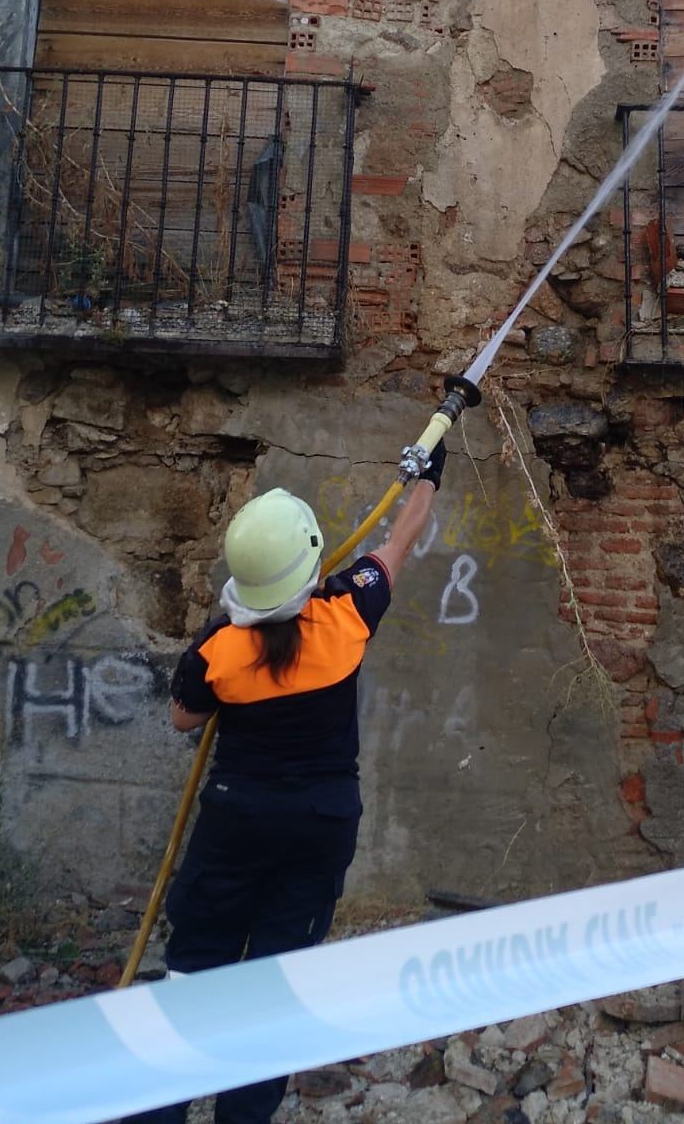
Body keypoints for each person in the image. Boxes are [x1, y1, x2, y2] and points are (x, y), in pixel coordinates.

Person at [127, 441, 447, 1124]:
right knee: (274, 981)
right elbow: (401, 539)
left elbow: (185, 719)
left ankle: (158, 1109)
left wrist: (219, 636)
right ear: (310, 565)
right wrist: (429, 477)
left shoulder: (219, 650)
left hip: (237, 819)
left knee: (198, 962)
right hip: (321, 822)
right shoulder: (349, 614)